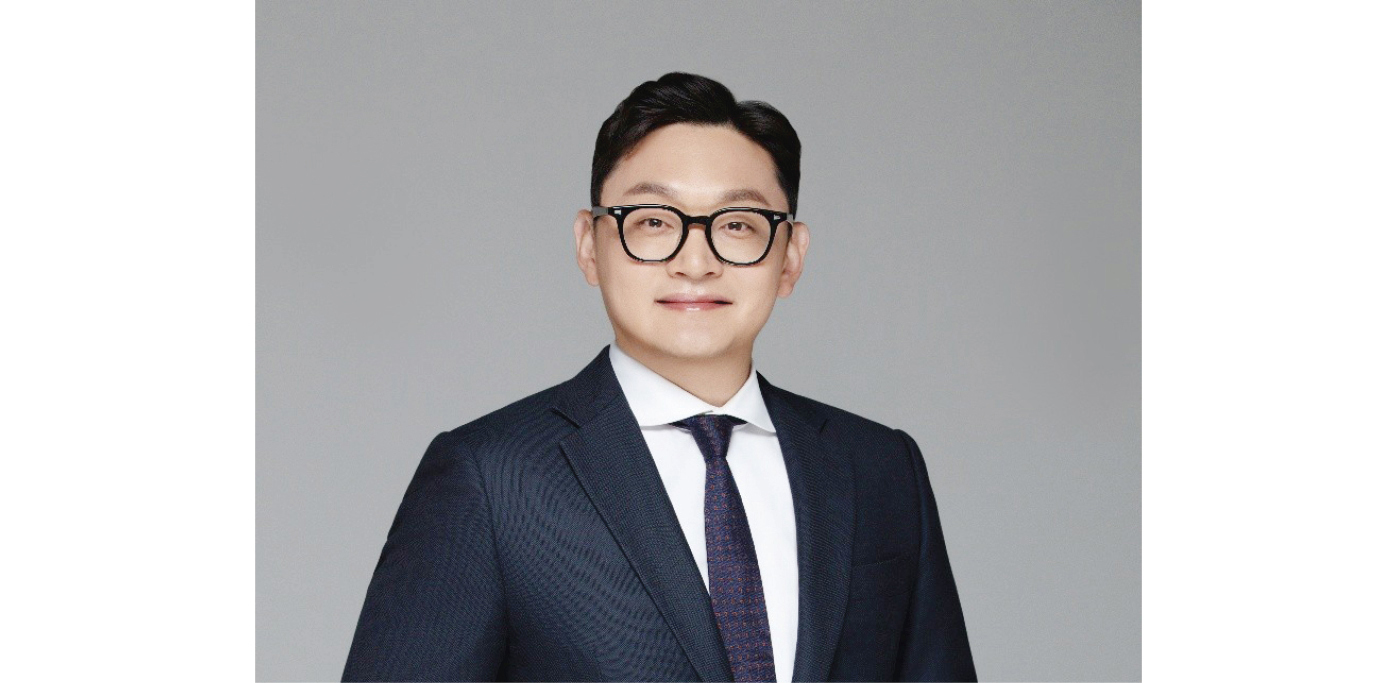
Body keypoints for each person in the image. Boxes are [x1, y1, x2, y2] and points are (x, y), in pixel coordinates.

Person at [342, 72, 976, 682]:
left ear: (791, 257)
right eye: (652, 221)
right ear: (589, 245)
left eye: (737, 225)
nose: (695, 262)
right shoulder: (490, 477)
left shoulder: (881, 468)